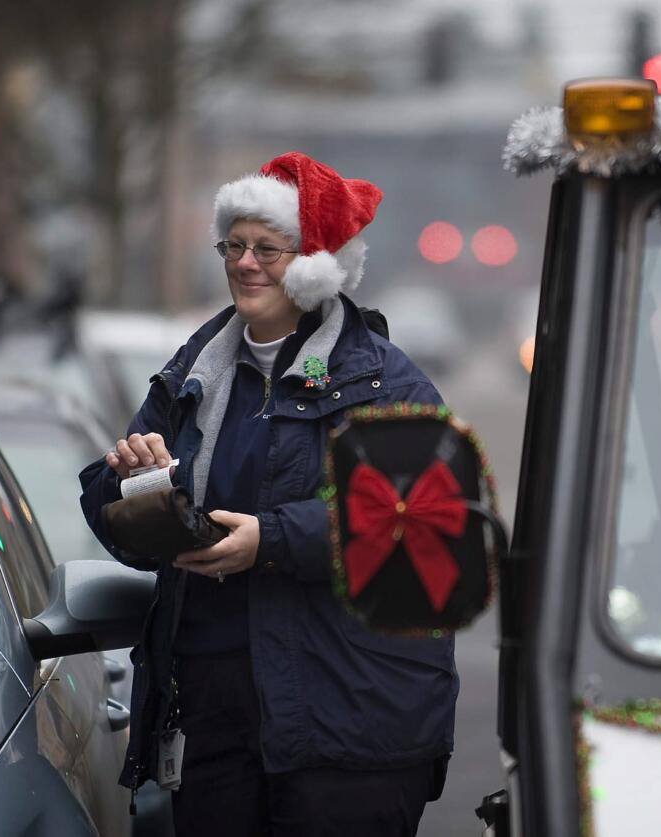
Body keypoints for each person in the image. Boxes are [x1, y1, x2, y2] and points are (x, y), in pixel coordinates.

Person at [79, 151, 457, 837]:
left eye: (268, 249)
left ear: (314, 265)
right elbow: (116, 522)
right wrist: (133, 480)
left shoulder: (387, 384)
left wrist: (273, 541)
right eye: (235, 245)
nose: (244, 263)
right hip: (215, 725)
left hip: (350, 729)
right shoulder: (192, 373)